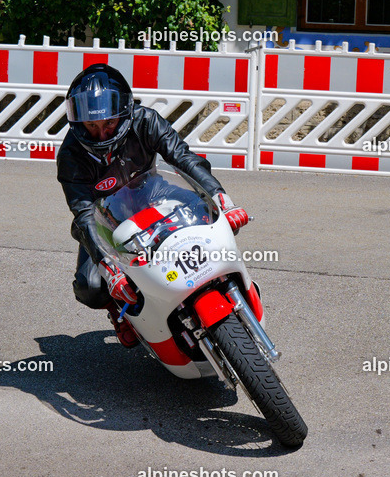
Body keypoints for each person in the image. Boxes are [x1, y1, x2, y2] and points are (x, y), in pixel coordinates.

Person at [57, 63, 249, 347]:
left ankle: (220, 282)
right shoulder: (70, 154)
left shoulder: (146, 120)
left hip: (152, 190)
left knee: (207, 213)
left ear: (124, 112)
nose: (101, 134)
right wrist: (108, 266)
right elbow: (83, 212)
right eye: (91, 126)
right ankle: (120, 312)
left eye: (109, 123)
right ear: (79, 122)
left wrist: (221, 198)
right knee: (91, 287)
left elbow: (183, 158)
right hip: (105, 217)